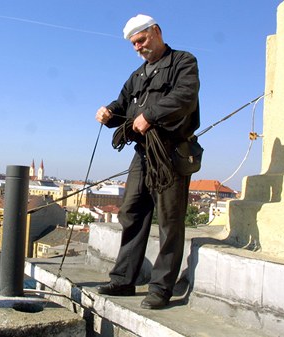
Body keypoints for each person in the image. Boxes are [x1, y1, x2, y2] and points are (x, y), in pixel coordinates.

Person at [95, 14, 200, 309]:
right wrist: (108, 112)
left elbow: (185, 97)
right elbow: (122, 104)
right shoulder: (138, 75)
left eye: (141, 40)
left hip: (171, 152)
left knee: (169, 219)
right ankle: (124, 280)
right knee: (131, 212)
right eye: (133, 44)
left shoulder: (183, 61)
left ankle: (160, 289)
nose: (138, 47)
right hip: (143, 154)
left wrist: (150, 116)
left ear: (156, 31)